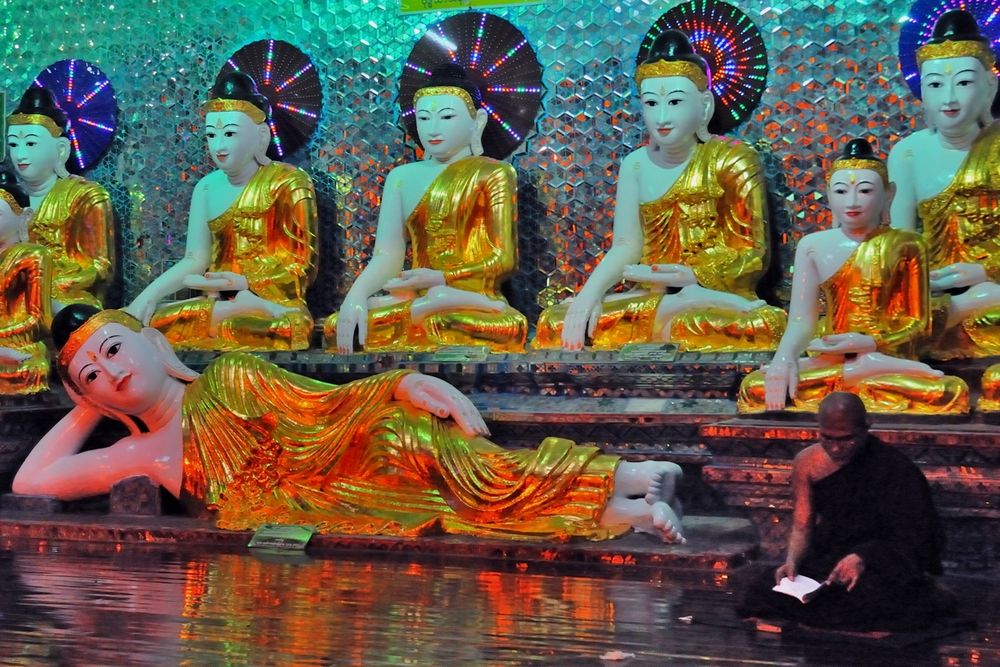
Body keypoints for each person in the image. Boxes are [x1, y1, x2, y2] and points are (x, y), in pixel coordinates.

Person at [13, 304, 685, 544]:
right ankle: (627, 509)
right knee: (447, 507)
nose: (113, 371)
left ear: (152, 341)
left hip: (348, 455)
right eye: (93, 374)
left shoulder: (234, 374)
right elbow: (32, 478)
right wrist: (83, 404)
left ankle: (625, 478)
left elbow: (326, 405)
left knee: (419, 438)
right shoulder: (141, 454)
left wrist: (401, 382)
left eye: (112, 348)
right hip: (324, 501)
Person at [532, 29, 785, 352]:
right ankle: (672, 313)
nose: (662, 117)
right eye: (651, 103)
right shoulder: (636, 164)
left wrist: (692, 276)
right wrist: (589, 295)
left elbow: (753, 255)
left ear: (704, 106)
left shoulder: (732, 159)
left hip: (720, 298)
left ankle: (682, 307)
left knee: (764, 326)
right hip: (652, 297)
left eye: (676, 101)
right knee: (555, 322)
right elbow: (626, 246)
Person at [738, 139, 968, 414]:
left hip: (888, 356)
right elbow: (801, 320)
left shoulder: (907, 244)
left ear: (888, 195)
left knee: (948, 393)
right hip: (833, 356)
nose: (853, 201)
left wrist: (871, 342)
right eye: (841, 191)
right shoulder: (812, 246)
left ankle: (861, 371)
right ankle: (858, 373)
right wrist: (783, 359)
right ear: (829, 195)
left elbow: (919, 323)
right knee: (754, 387)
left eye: (866, 191)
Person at [325, 63, 527, 353]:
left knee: (472, 325)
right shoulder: (401, 177)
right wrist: (355, 297)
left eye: (446, 116)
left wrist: (443, 277)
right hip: (419, 298)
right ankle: (431, 303)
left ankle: (451, 301)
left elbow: (503, 259)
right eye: (423, 118)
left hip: (474, 303)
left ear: (477, 122)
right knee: (337, 326)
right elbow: (388, 255)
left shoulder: (493, 173)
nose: (433, 129)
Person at [127, 71, 317, 351]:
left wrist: (243, 282)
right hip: (216, 304)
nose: (219, 146)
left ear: (261, 136)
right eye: (211, 135)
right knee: (153, 323)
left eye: (229, 134)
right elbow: (195, 259)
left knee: (286, 329)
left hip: (274, 306)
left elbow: (301, 266)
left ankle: (239, 313)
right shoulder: (206, 187)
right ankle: (225, 316)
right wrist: (149, 296)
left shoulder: (288, 182)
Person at [739, 392, 954, 631]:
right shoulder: (807, 462)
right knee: (761, 589)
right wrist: (792, 562)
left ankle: (927, 593)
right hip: (831, 556)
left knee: (874, 600)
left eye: (846, 439)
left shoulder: (895, 469)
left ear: (866, 428)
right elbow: (803, 522)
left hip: (879, 561)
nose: (836, 448)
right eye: (826, 438)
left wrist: (863, 557)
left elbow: (917, 536)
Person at [888, 9, 1000, 360]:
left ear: (989, 87)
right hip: (932, 292)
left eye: (964, 82)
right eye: (935, 84)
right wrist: (918, 280)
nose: (948, 99)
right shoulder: (907, 153)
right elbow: (900, 243)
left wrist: (986, 271)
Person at [7, 86, 113, 310]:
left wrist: (49, 283)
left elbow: (101, 267)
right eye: (13, 145)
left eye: (31, 144)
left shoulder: (85, 195)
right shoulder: (6, 198)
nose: (20, 154)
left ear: (61, 149)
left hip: (62, 297)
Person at [0, 171, 52, 394]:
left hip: (19, 343)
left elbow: (40, 320)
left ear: (24, 217)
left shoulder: (32, 256)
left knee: (33, 368)